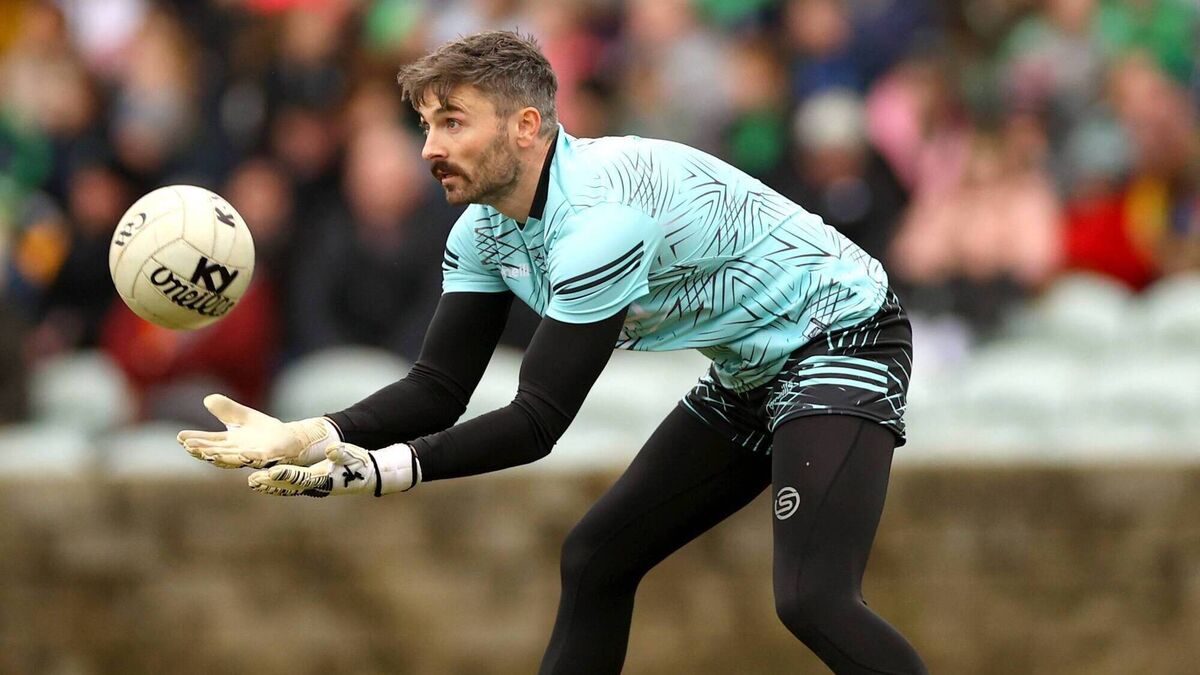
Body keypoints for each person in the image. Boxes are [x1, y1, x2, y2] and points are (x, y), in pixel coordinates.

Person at [178, 31, 927, 675]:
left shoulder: (602, 217)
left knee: (812, 598)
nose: (430, 147)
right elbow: (438, 387)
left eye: (452, 122)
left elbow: (539, 420)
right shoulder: (482, 230)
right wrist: (315, 434)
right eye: (426, 125)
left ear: (526, 126)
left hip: (845, 335)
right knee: (596, 558)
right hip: (752, 368)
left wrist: (380, 471)